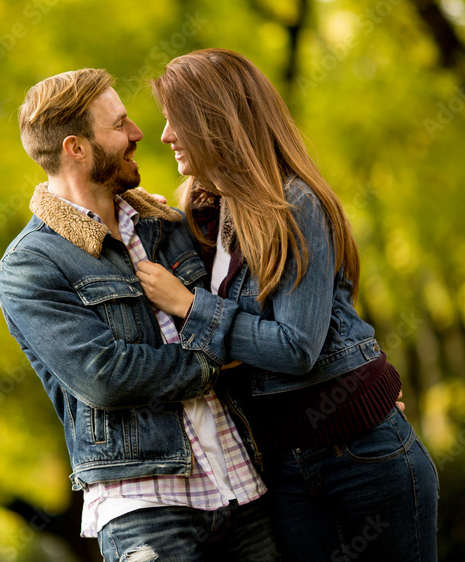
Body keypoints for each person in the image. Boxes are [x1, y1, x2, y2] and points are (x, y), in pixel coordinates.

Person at [135, 48, 439, 561]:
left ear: (217, 121)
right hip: (283, 465)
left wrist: (190, 306)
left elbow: (297, 347)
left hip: (361, 457)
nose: (165, 135)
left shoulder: (294, 204)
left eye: (175, 120)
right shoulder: (205, 213)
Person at [0, 68, 279, 561]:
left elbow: (254, 308)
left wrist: (355, 383)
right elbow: (105, 377)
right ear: (76, 148)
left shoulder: (165, 226)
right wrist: (219, 359)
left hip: (242, 481)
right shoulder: (30, 266)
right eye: (119, 124)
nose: (138, 134)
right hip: (144, 507)